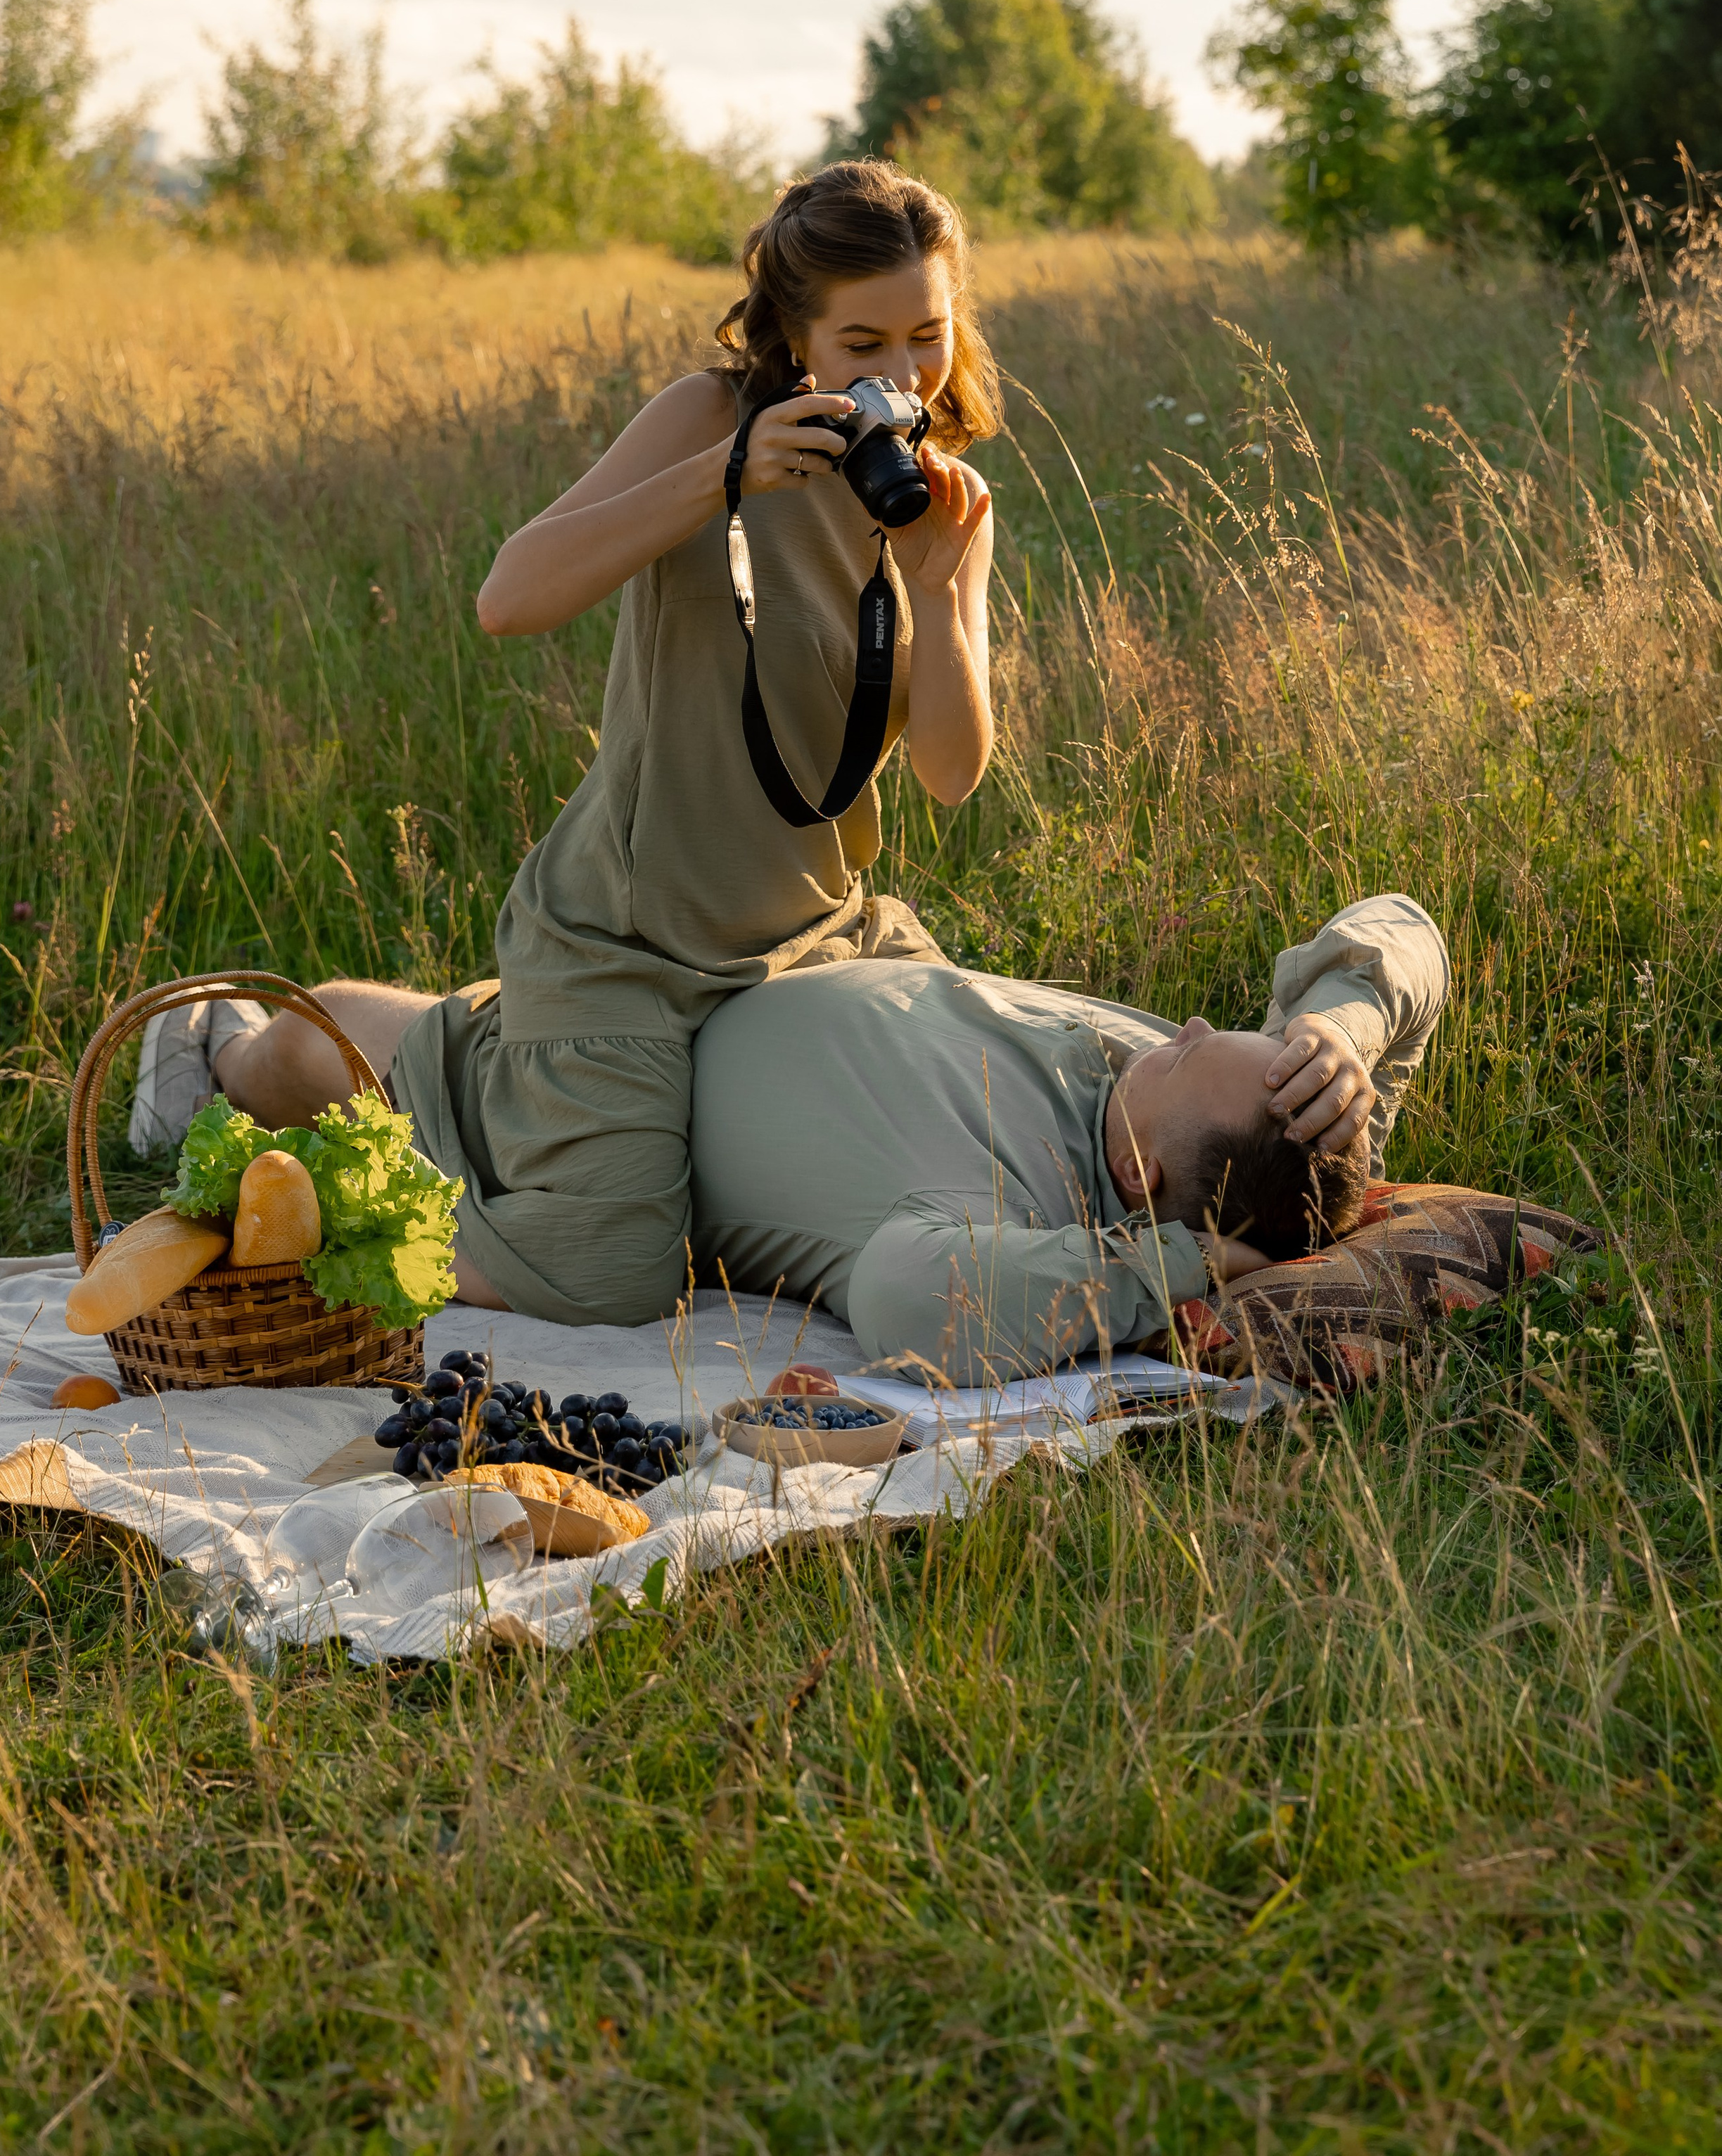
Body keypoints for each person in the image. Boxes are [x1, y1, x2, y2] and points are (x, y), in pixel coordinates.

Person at [131, 160, 1000, 1325]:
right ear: (795, 337)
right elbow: (510, 597)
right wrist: (722, 478)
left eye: (926, 337)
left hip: (815, 936)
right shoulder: (708, 420)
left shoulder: (938, 498)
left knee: (967, 1156)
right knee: (607, 1276)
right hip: (630, 941)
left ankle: (457, 1062)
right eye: (861, 344)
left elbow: (950, 773)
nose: (901, 377)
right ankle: (245, 1067)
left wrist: (942, 591)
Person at [680, 891, 1448, 1382]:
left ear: (1137, 1174)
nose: (1187, 1026)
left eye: (1182, 1055)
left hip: (670, 1015)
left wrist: (1174, 1264)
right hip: (826, 931)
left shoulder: (994, 1206)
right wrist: (1344, 1031)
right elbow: (1405, 924)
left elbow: (907, 1304)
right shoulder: (1292, 1122)